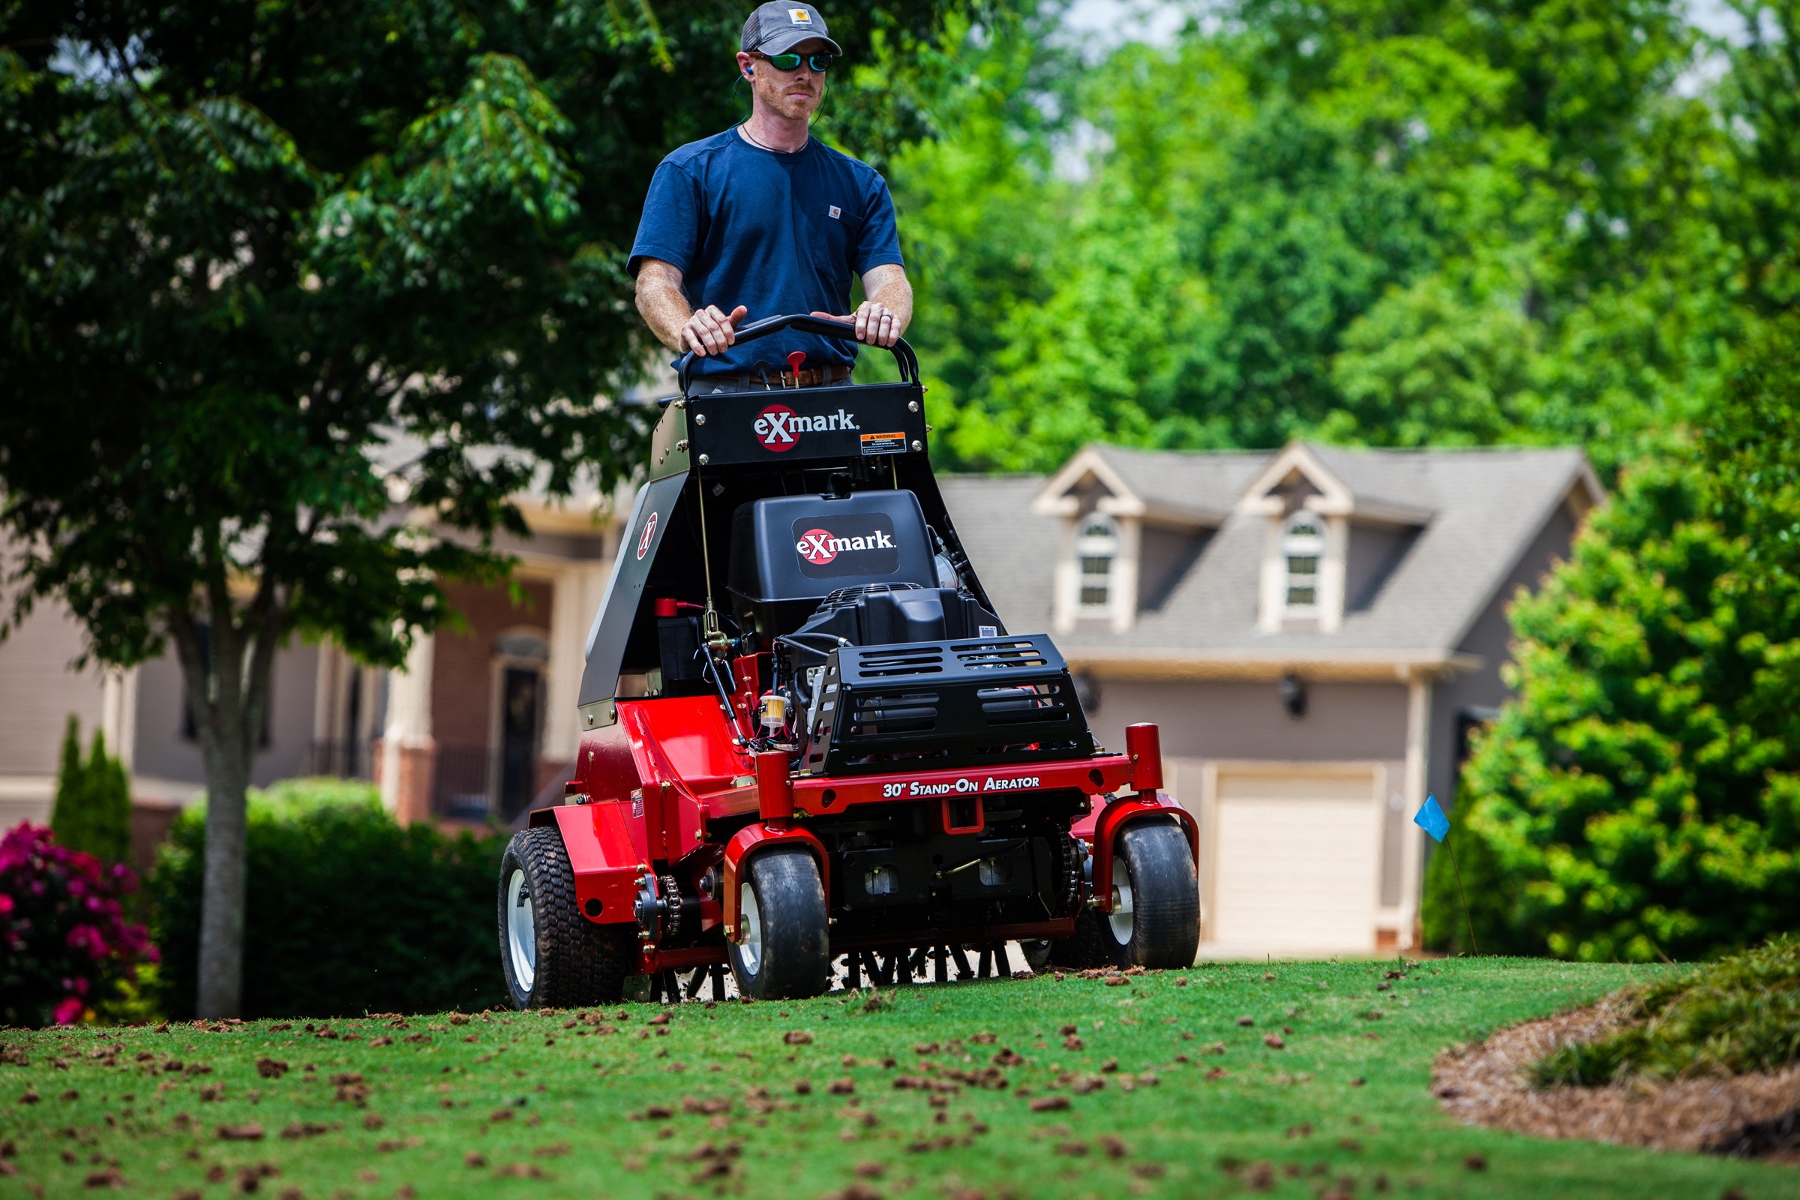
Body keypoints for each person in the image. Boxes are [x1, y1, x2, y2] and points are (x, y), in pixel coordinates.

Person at [629, 2, 913, 391]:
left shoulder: (860, 183)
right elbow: (654, 282)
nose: (804, 73)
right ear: (748, 66)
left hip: (833, 397)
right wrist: (687, 327)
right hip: (725, 393)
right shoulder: (689, 171)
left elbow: (891, 280)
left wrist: (884, 312)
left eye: (818, 61)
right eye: (787, 58)